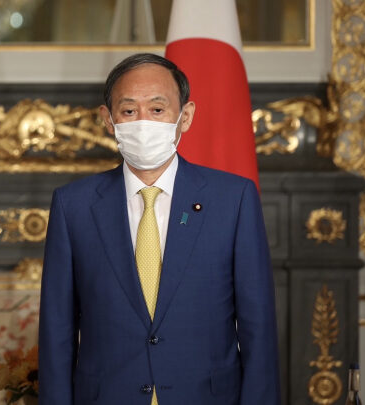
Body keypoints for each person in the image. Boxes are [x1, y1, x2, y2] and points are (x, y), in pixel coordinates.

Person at [38, 53, 280, 405]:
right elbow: (57, 331)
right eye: (128, 110)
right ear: (108, 119)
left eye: (157, 109)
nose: (143, 122)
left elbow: (258, 327)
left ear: (185, 116)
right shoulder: (72, 205)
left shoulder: (233, 199)